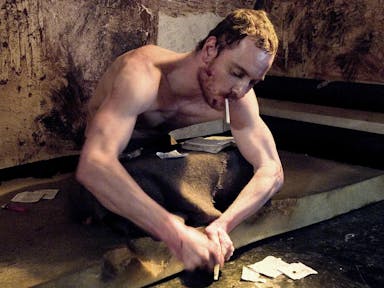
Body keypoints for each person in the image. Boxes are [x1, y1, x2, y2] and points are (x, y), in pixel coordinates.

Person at [76, 9, 284, 272]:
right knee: (133, 182)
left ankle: (184, 213)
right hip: (120, 161)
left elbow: (272, 170)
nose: (241, 90)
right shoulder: (142, 75)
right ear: (210, 49)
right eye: (237, 73)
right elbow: (94, 164)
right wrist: (177, 235)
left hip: (160, 155)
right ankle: (177, 212)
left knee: (239, 166)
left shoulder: (237, 97)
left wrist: (224, 225)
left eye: (253, 82)